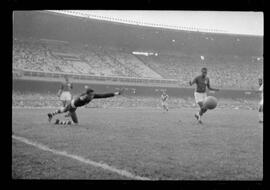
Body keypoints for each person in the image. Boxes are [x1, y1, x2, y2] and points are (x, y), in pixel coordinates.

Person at [47, 88, 123, 125]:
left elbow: (104, 95)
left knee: (66, 112)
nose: (93, 96)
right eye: (91, 94)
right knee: (72, 119)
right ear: (87, 94)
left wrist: (116, 93)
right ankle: (58, 121)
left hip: (74, 106)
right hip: (73, 105)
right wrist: (71, 111)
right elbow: (76, 101)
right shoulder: (83, 97)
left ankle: (53, 116)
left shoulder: (92, 96)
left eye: (93, 94)